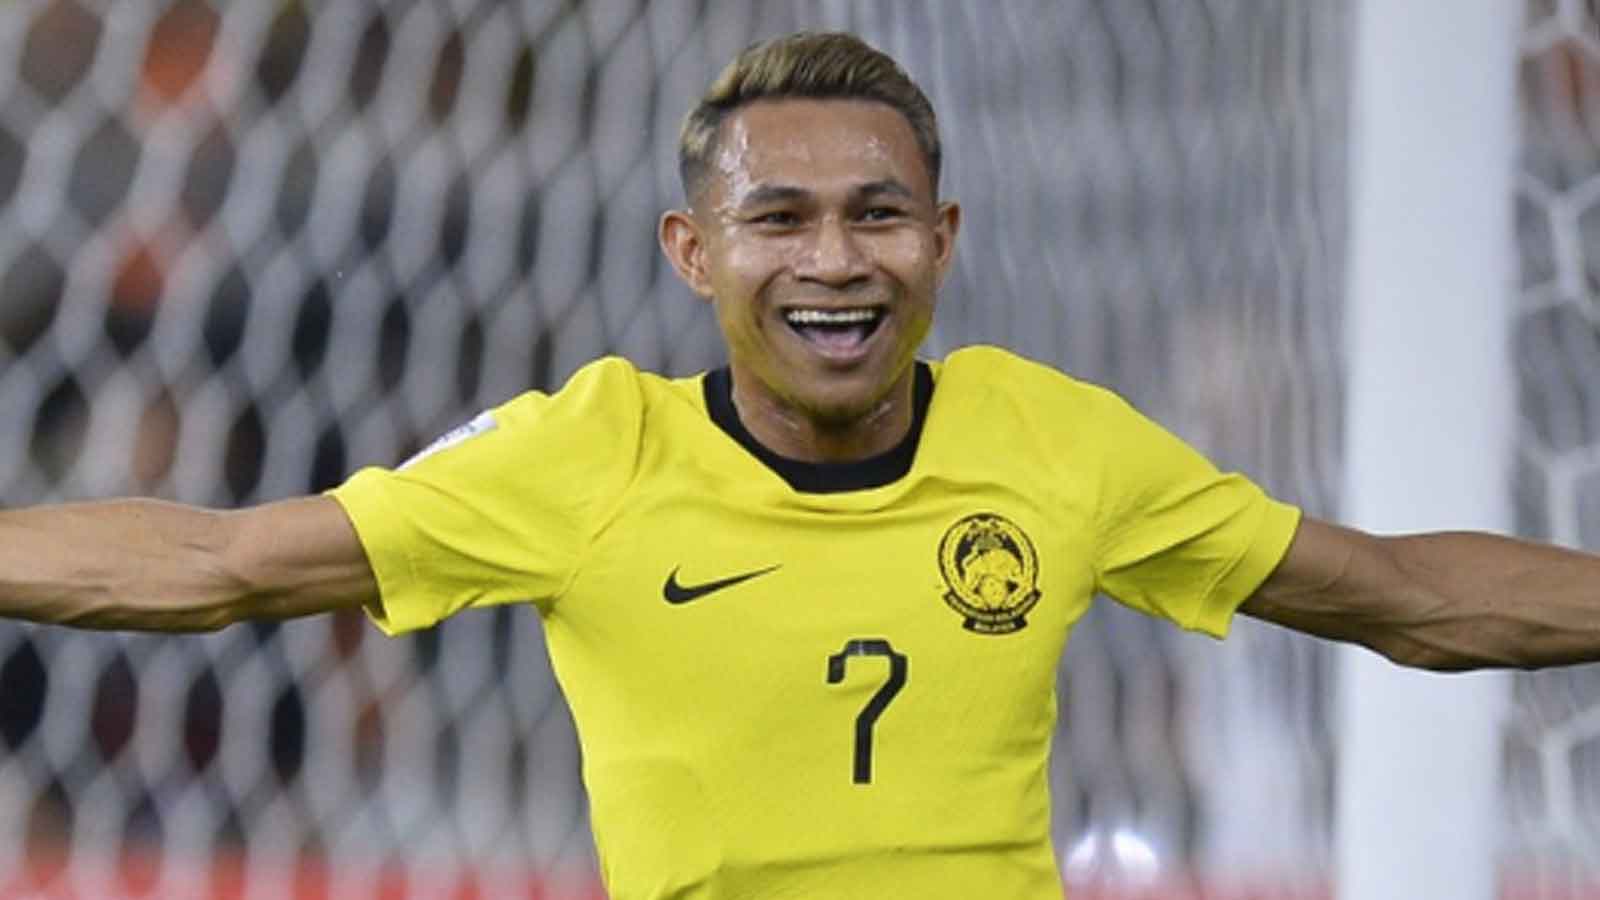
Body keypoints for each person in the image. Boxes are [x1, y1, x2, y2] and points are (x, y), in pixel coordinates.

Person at [0, 29, 1594, 900]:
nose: (836, 261)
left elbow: (1403, 596)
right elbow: (221, 564)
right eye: (780, 219)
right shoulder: (586, 455)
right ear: (694, 252)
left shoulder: (1054, 442)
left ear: (943, 240)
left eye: (878, 215)